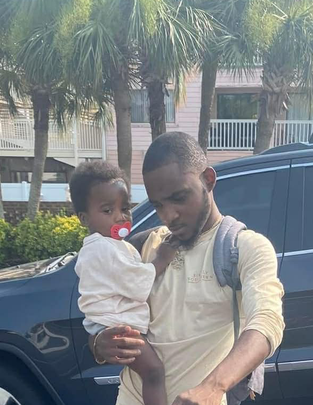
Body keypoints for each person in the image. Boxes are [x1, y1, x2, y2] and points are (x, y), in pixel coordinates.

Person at [90, 132, 285, 405]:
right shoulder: (143, 246)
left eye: (179, 198)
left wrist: (213, 388)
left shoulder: (244, 248)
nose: (169, 216)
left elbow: (267, 322)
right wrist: (99, 344)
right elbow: (102, 314)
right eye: (158, 205)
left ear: (208, 180)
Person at [70, 161, 178, 405]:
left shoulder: (111, 246)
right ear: (84, 218)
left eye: (125, 208)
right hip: (117, 327)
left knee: (150, 372)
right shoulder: (103, 248)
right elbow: (137, 283)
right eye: (108, 210)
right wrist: (162, 258)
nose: (120, 216)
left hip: (112, 324)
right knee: (153, 372)